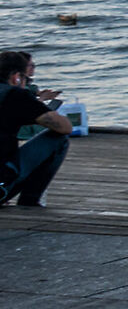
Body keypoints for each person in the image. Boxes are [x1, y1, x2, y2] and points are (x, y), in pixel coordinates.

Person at [0, 50, 72, 209]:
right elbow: (65, 128)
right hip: (2, 183)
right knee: (58, 140)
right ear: (16, 77)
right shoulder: (14, 95)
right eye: (26, 78)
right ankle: (30, 201)